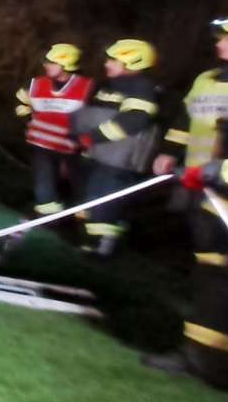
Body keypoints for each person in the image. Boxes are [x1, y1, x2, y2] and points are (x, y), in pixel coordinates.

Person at [145, 14, 228, 390]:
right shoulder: (207, 79)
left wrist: (219, 171)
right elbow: (186, 121)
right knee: (211, 278)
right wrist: (171, 151)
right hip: (210, 193)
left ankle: (222, 362)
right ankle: (203, 358)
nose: (219, 43)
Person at [69, 39, 161, 257]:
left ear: (133, 62)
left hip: (120, 160)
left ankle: (102, 249)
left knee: (105, 203)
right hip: (98, 154)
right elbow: (90, 114)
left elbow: (134, 120)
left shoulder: (142, 87)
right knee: (90, 201)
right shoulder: (108, 86)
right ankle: (87, 242)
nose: (107, 64)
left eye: (113, 60)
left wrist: (92, 137)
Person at [14, 43, 93, 217]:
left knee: (79, 185)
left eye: (52, 62)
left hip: (72, 147)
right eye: (46, 62)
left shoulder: (87, 87)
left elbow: (95, 117)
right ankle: (48, 216)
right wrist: (28, 120)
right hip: (40, 144)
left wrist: (86, 143)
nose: (46, 65)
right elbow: (21, 102)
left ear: (67, 64)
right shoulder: (36, 84)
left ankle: (84, 220)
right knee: (44, 186)